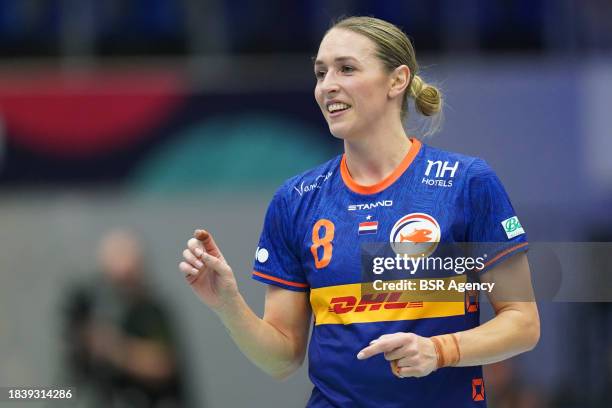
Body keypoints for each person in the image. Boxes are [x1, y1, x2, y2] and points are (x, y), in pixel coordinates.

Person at [179, 16, 540, 407]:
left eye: (346, 68)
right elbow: (282, 358)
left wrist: (439, 350)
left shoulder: (466, 182)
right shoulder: (296, 199)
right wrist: (227, 305)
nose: (326, 85)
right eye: (320, 72)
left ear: (397, 80)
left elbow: (522, 322)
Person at [64, 229, 187, 408]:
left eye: (126, 278)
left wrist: (113, 347)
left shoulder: (152, 310)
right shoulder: (91, 307)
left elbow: (162, 364)